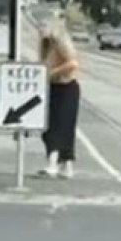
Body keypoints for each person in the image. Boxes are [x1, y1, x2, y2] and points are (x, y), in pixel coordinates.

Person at [38, 22, 81, 179]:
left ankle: (54, 163)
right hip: (53, 88)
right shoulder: (45, 46)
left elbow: (73, 63)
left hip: (67, 87)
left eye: (43, 29)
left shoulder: (61, 44)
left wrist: (53, 73)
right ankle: (65, 165)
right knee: (53, 127)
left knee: (61, 127)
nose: (40, 32)